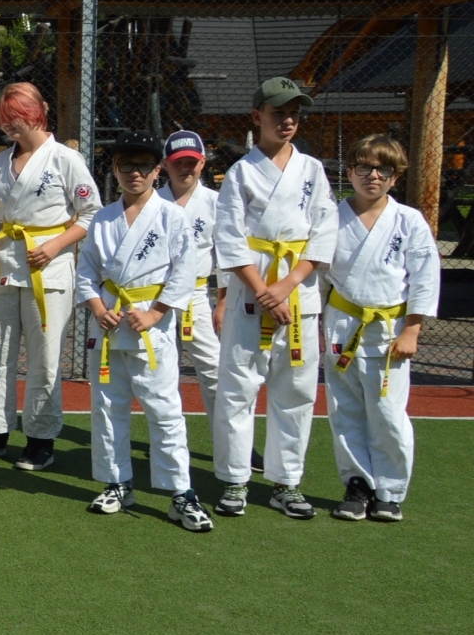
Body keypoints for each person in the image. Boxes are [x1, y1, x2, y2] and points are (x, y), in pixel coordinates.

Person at [213, 77, 337, 518]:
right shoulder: (241, 173)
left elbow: (324, 232)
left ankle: (287, 482)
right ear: (257, 116)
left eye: (294, 114)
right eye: (278, 112)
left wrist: (287, 286)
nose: (287, 121)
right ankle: (234, 479)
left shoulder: (313, 170)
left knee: (297, 390)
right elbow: (229, 238)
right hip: (251, 294)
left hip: (299, 295)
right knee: (238, 388)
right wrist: (264, 291)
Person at [76, 132, 213, 532]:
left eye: (143, 166)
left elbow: (185, 271)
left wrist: (155, 313)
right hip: (109, 325)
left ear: (157, 171)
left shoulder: (172, 216)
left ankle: (180, 492)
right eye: (126, 165)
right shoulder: (103, 218)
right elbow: (85, 272)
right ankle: (117, 482)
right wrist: (98, 309)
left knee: (164, 410)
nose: (134, 173)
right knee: (107, 408)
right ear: (114, 170)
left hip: (152, 328)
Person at [0, 81, 100, 469]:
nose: (9, 126)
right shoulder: (0, 161)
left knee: (45, 357)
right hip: (4, 266)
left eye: (16, 118)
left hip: (49, 269)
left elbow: (91, 213)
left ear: (36, 114)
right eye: (4, 120)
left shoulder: (66, 159)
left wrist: (56, 245)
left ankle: (41, 437)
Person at [324, 134, 440, 522]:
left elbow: (425, 278)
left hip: (390, 329)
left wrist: (413, 329)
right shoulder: (331, 218)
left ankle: (389, 491)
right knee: (345, 409)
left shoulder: (408, 220)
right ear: (350, 172)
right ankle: (358, 485)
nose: (373, 176)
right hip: (342, 324)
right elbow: (318, 274)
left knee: (387, 412)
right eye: (365, 167)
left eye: (383, 169)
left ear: (395, 176)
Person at [155, 130, 220, 418]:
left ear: (202, 162)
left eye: (191, 162)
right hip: (158, 295)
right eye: (177, 162)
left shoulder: (216, 202)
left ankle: (226, 439)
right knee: (162, 371)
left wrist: (224, 301)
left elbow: (227, 255)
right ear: (164, 165)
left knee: (213, 368)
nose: (185, 169)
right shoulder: (153, 201)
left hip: (197, 295)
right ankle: (169, 437)